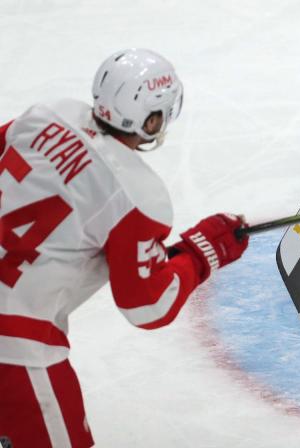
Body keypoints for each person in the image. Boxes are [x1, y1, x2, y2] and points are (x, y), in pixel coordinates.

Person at [0, 49, 249, 447]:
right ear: (152, 120)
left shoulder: (46, 114)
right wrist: (202, 253)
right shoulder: (136, 195)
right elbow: (147, 306)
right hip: (17, 351)